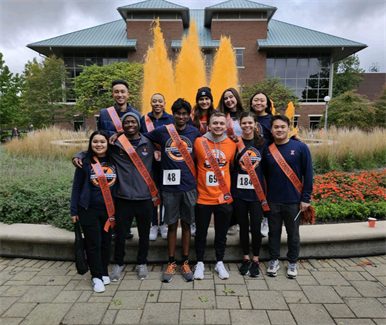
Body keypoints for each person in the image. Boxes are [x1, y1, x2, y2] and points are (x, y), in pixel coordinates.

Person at [73, 80, 139, 239]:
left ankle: (125, 227)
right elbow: (98, 137)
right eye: (116, 92)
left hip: (127, 160)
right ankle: (111, 227)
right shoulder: (104, 113)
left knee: (124, 193)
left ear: (128, 94)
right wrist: (81, 154)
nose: (120, 95)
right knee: (109, 190)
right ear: (112, 94)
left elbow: (137, 137)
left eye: (123, 92)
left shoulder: (136, 114)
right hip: (109, 158)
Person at [144, 98, 200, 283]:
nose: (181, 117)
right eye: (178, 113)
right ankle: (171, 262)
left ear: (189, 115)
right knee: (171, 225)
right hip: (169, 187)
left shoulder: (194, 132)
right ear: (173, 114)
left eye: (185, 114)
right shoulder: (163, 131)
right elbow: (142, 137)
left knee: (186, 224)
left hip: (189, 186)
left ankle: (184, 261)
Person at [110, 112, 159, 281]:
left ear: (138, 124)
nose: (130, 124)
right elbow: (95, 151)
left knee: (144, 233)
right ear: (122, 126)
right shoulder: (115, 144)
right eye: (127, 122)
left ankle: (142, 262)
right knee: (121, 233)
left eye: (133, 122)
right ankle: (118, 263)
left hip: (144, 197)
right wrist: (78, 156)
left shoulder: (149, 143)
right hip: (123, 198)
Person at [262, 115, 313, 279]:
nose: (279, 130)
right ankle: (274, 260)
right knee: (273, 233)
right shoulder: (268, 150)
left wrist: (306, 198)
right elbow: (263, 176)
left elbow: (308, 174)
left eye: (282, 127)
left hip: (294, 200)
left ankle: (292, 262)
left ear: (288, 128)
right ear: (271, 129)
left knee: (293, 233)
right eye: (276, 127)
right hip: (273, 200)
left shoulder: (300, 147)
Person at [70, 130, 116, 293]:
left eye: (102, 141)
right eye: (95, 141)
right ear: (90, 144)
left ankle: (103, 271)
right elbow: (76, 186)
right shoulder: (84, 162)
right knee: (93, 243)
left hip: (109, 210)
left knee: (105, 242)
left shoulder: (114, 159)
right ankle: (96, 277)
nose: (99, 144)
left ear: (107, 143)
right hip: (88, 210)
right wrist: (73, 209)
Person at [193, 112, 236, 280]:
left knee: (221, 233)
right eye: (215, 123)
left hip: (223, 198)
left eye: (221, 123)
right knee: (201, 233)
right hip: (203, 197)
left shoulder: (232, 144)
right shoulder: (199, 142)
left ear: (226, 126)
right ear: (208, 126)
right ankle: (200, 263)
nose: (218, 126)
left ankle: (219, 262)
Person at [231, 112, 268, 277]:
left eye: (249, 123)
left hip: (257, 194)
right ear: (240, 124)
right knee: (243, 227)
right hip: (239, 193)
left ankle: (256, 259)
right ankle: (245, 258)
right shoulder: (235, 143)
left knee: (255, 227)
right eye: (244, 123)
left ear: (255, 124)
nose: (246, 126)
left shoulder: (262, 143)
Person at [141, 93, 174, 241]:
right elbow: (140, 137)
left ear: (164, 102)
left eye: (160, 101)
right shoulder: (144, 119)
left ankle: (164, 224)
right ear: (151, 102)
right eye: (154, 101)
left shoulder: (171, 119)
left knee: (166, 193)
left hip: (168, 162)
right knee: (153, 193)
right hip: (150, 162)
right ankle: (154, 224)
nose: (157, 104)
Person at [217, 87, 245, 236]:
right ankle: (231, 223)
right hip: (226, 157)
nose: (229, 100)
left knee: (240, 191)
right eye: (225, 98)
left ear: (236, 98)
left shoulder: (245, 115)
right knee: (228, 190)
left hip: (244, 158)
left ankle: (243, 220)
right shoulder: (220, 116)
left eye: (231, 97)